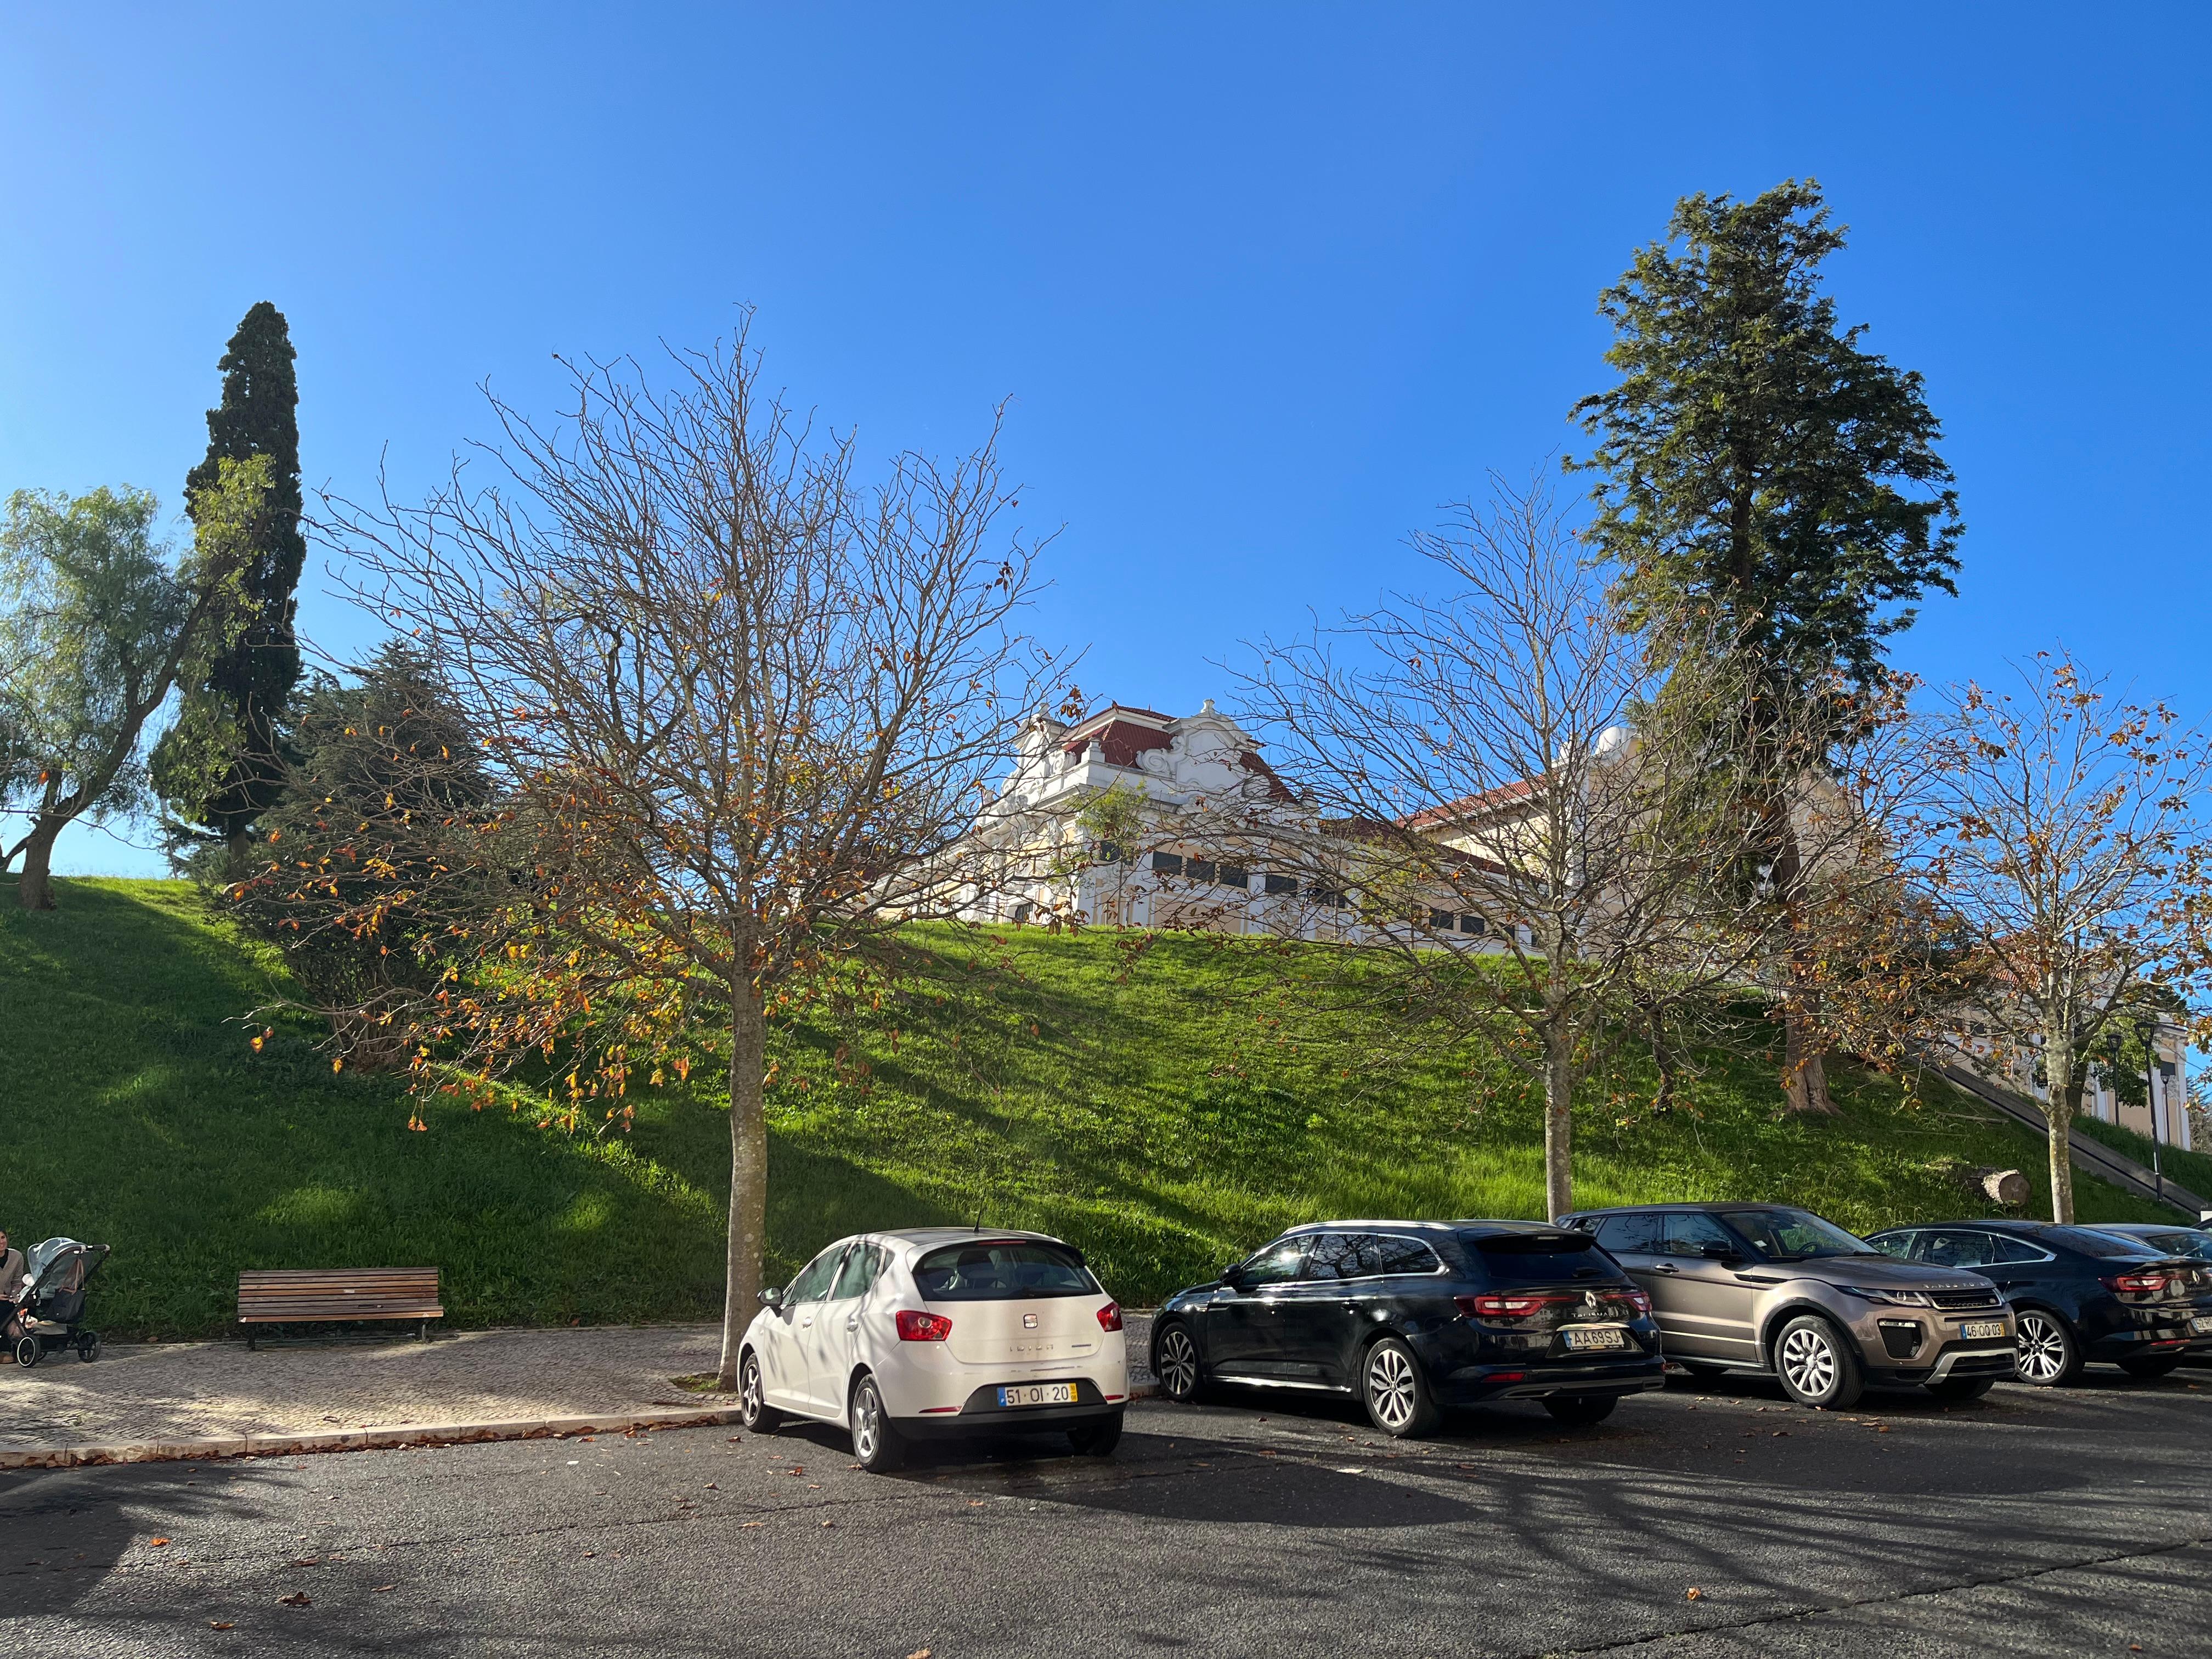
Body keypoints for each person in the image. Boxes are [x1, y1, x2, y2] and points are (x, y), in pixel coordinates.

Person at [0, 1229, 24, 1339]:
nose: (1, 1242)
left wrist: (14, 1295)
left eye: (3, 1238)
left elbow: (17, 1281)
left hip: (9, 1299)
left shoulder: (17, 1256)